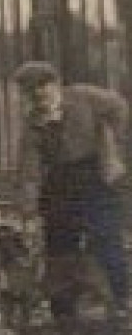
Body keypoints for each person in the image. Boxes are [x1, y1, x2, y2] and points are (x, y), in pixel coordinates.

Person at [12, 61, 129, 321]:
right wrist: (28, 209)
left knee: (108, 238)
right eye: (32, 93)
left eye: (44, 89)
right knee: (59, 244)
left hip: (94, 177)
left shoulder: (85, 96)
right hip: (58, 183)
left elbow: (119, 107)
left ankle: (122, 298)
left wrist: (111, 141)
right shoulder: (32, 125)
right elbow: (28, 170)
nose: (40, 98)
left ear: (56, 84)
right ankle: (63, 307)